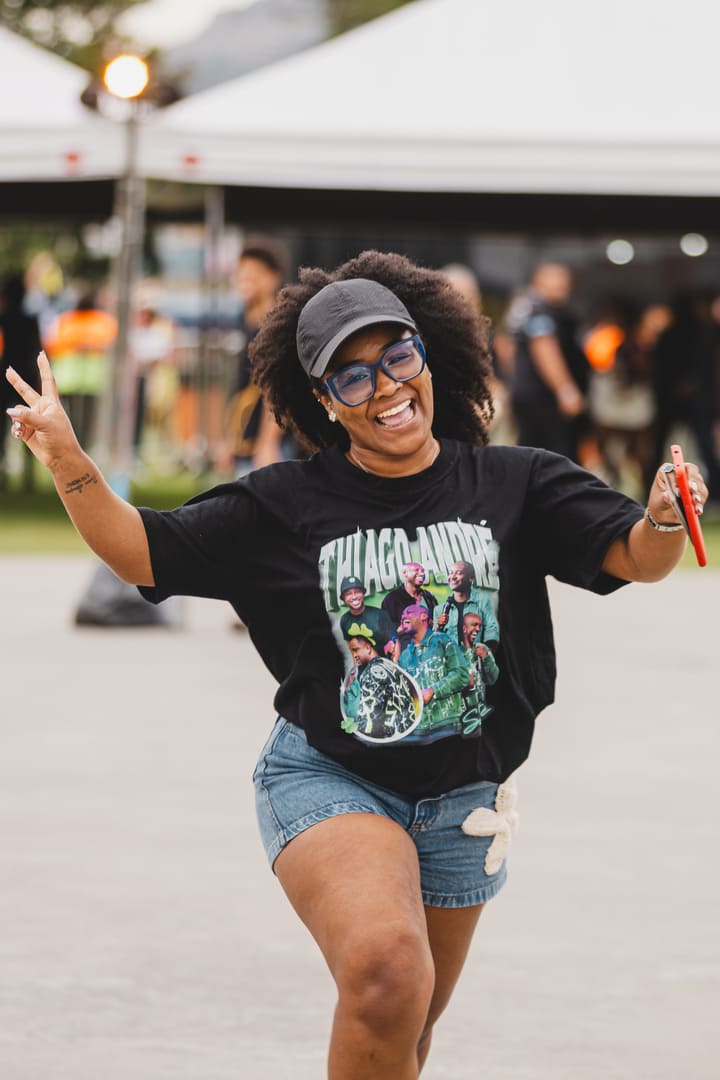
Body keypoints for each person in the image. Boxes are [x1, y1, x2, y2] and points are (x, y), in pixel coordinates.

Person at [4, 248, 708, 1079]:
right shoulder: (283, 504)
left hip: (465, 799)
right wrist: (67, 459)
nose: (385, 387)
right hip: (331, 775)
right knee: (388, 974)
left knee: (406, 1024)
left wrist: (665, 518)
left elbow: (634, 556)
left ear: (428, 356)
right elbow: (140, 551)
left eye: (398, 357)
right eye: (352, 376)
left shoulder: (516, 482)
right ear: (323, 400)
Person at [224, 235, 296, 474]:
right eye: (242, 272)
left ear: (273, 277)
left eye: (254, 273)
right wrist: (229, 441)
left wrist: (268, 444)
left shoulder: (275, 325)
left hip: (267, 451)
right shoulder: (244, 322)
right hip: (245, 447)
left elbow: (278, 388)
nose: (246, 279)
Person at [507, 262, 590, 462]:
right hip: (544, 401)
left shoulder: (525, 308)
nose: (565, 285)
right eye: (558, 280)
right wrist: (566, 391)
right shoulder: (539, 310)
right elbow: (544, 348)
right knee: (554, 458)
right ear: (539, 281)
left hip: (532, 398)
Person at [42, 291, 117, 450]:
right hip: (89, 379)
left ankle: (72, 446)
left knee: (70, 417)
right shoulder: (102, 322)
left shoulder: (65, 321)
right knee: (86, 419)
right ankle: (80, 447)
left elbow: (50, 344)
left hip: (69, 378)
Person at [396, 604, 470, 741]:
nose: (403, 616)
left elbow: (462, 674)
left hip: (447, 725)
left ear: (424, 616)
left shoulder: (443, 640)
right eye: (401, 616)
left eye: (409, 612)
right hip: (418, 731)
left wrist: (433, 691)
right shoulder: (404, 657)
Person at [0, 273, 41, 491]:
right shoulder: (30, 321)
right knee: (29, 423)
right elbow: (38, 348)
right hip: (26, 375)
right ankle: (28, 475)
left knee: (2, 427)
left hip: (6, 374)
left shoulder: (5, 319)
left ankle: (4, 474)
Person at [435, 560, 499, 652]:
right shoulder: (440, 610)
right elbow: (435, 644)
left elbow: (491, 629)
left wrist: (487, 652)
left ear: (471, 578)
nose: (453, 577)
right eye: (451, 573)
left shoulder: (483, 601)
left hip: (476, 658)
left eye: (458, 573)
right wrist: (438, 627)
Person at [338, 574, 396, 654]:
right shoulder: (344, 620)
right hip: (363, 661)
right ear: (344, 599)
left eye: (357, 592)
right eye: (348, 594)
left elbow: (394, 642)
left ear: (363, 593)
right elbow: (352, 648)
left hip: (383, 659)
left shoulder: (379, 614)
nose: (354, 597)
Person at [381, 560, 437, 625]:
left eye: (423, 571)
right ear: (405, 573)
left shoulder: (428, 596)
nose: (422, 574)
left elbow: (436, 621)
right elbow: (386, 626)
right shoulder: (392, 599)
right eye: (416, 570)